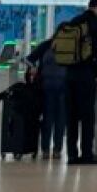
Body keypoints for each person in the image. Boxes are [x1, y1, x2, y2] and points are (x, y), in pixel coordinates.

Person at [65, 0, 97, 166]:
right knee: (87, 116)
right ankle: (87, 154)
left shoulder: (75, 21)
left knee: (72, 116)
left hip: (70, 75)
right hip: (87, 75)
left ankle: (72, 155)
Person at [28, 31, 67, 160]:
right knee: (52, 119)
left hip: (56, 87)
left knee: (55, 119)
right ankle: (51, 150)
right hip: (50, 88)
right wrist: (33, 67)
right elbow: (28, 59)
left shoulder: (47, 46)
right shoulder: (48, 46)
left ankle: (52, 150)